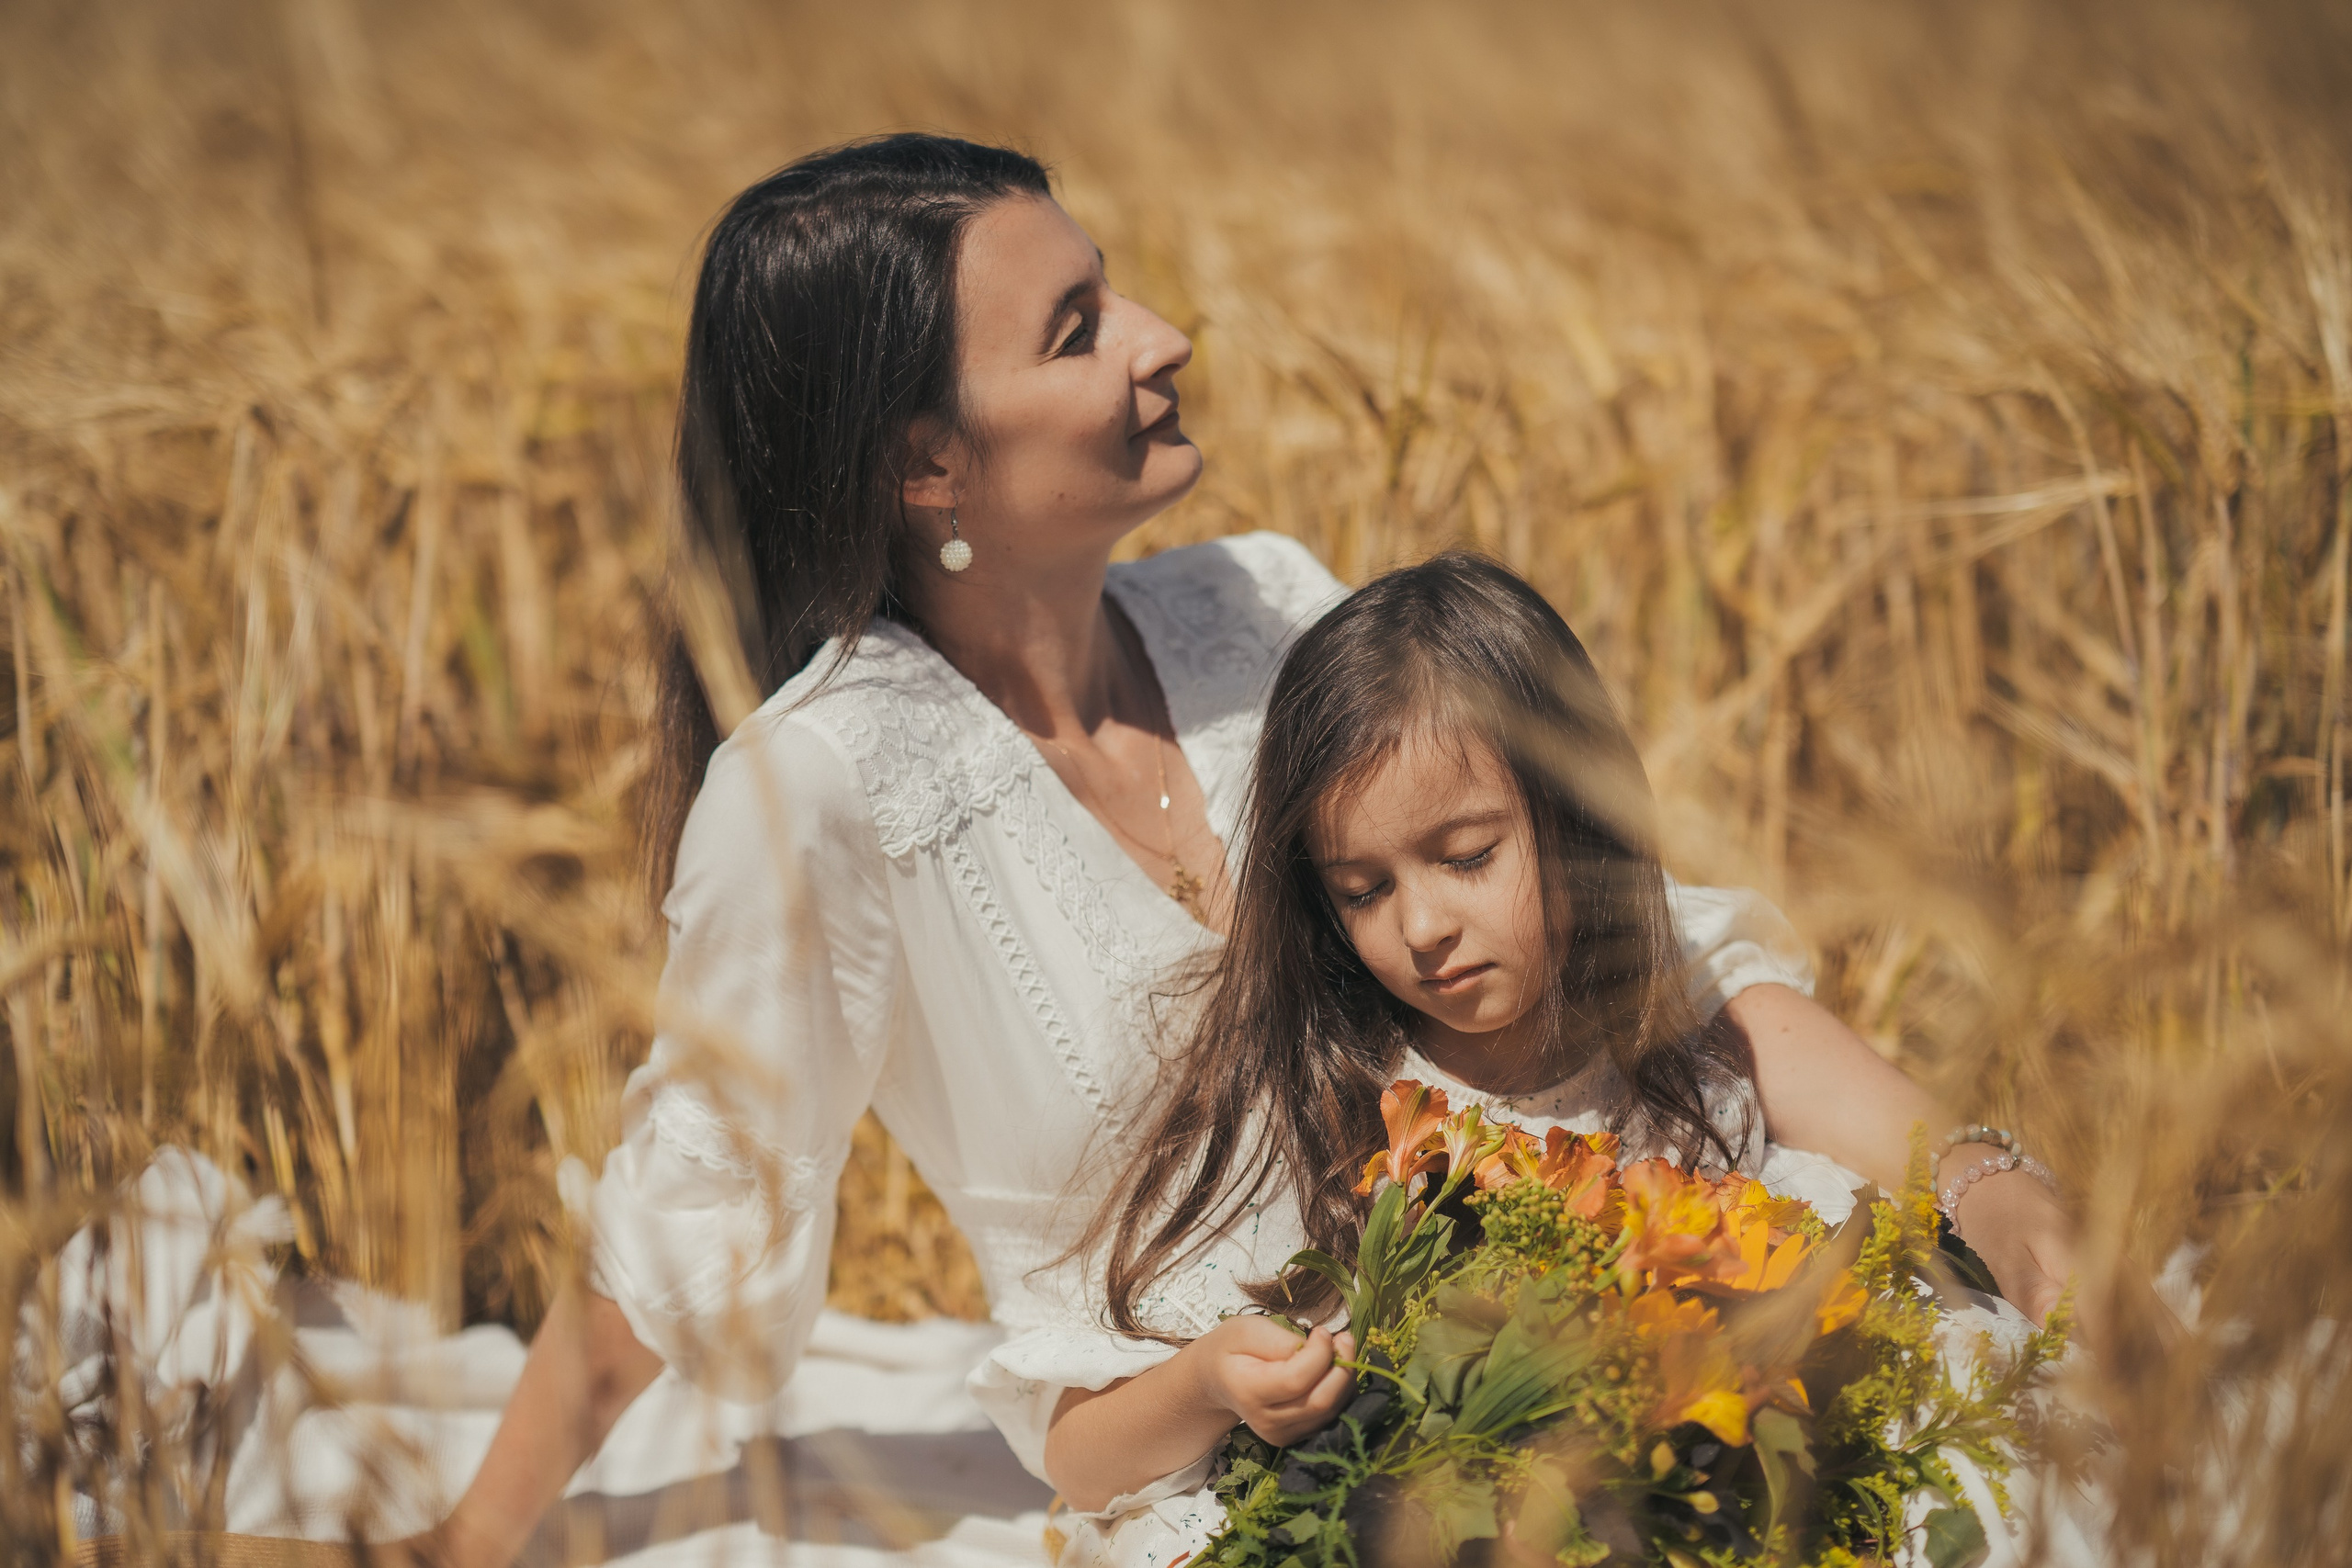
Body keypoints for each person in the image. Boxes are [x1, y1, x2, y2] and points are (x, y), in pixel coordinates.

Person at [410, 134, 2075, 1567]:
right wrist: (478, 1538)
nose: (1163, 335)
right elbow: (692, 1204)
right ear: (929, 461)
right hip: (1273, 1471)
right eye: (1077, 330)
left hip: (1608, 1307)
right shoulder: (819, 790)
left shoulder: (1258, 606)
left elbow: (1651, 953)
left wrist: (1992, 1186)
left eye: (1112, 288)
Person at [1021, 554, 2079, 1562]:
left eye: (1467, 857)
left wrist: (1997, 1197)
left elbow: (1930, 1149)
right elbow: (1082, 1455)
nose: (1422, 924)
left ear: (1577, 815)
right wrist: (1209, 1384)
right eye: (1362, 890)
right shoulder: (1315, 1097)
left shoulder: (1689, 1032)